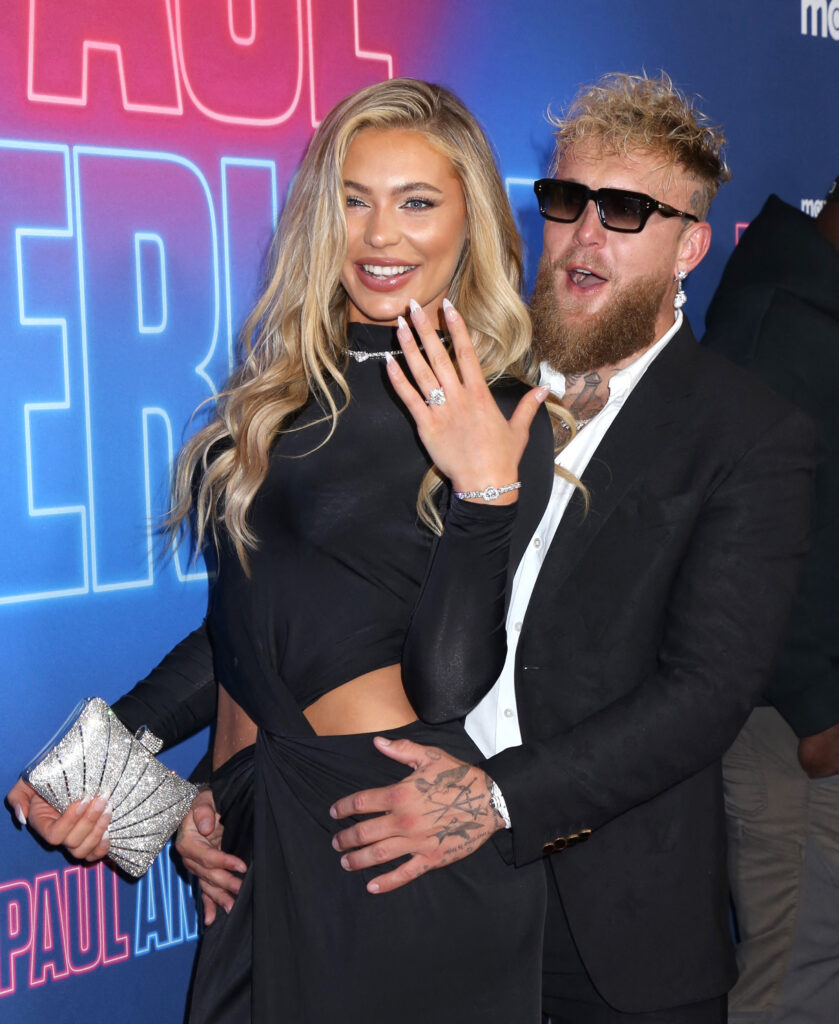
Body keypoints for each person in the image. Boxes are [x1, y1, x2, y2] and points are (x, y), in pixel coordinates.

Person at [6, 79, 559, 1023]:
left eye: (417, 202)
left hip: (378, 841)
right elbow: (244, 628)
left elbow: (445, 689)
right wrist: (105, 771)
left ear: (469, 221)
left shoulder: (496, 407)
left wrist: (482, 496)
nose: (381, 233)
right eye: (355, 198)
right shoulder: (282, 388)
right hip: (246, 831)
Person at [326, 73, 816, 1023]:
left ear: (691, 245)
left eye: (627, 211)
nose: (586, 234)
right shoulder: (468, 387)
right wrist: (181, 772)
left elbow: (705, 694)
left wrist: (494, 801)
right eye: (566, 201)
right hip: (430, 898)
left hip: (615, 925)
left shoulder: (748, 433)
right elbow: (331, 592)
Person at [703, 177, 839, 1023]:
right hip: (796, 734)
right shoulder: (777, 325)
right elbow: (738, 540)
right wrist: (818, 710)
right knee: (797, 980)